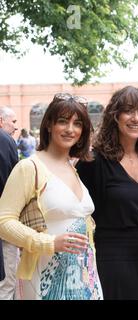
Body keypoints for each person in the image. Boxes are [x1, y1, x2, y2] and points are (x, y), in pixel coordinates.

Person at [0, 93, 103, 299]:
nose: (70, 129)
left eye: (77, 123)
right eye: (63, 121)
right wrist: (47, 243)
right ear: (48, 125)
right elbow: (3, 220)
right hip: (44, 277)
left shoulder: (72, 168)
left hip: (84, 275)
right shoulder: (29, 167)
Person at [76, 86, 138, 300]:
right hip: (110, 262)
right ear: (115, 116)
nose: (136, 118)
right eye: (129, 111)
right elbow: (79, 215)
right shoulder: (94, 162)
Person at [0, 118, 19, 299]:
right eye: (12, 121)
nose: (16, 125)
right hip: (5, 220)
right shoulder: (6, 141)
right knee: (6, 283)